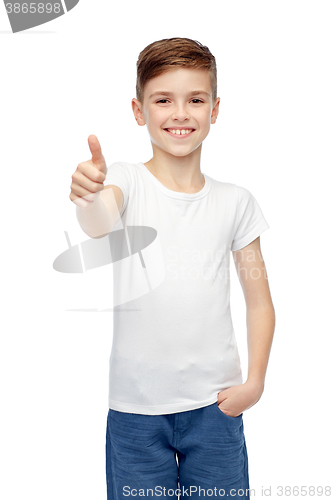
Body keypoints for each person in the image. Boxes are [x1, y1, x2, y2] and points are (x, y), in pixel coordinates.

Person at [69, 37, 275, 500]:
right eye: (163, 100)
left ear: (215, 109)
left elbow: (259, 300)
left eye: (195, 100)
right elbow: (100, 221)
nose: (180, 113)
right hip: (136, 412)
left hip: (215, 406)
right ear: (139, 110)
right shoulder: (125, 178)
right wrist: (88, 195)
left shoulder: (235, 202)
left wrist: (255, 382)